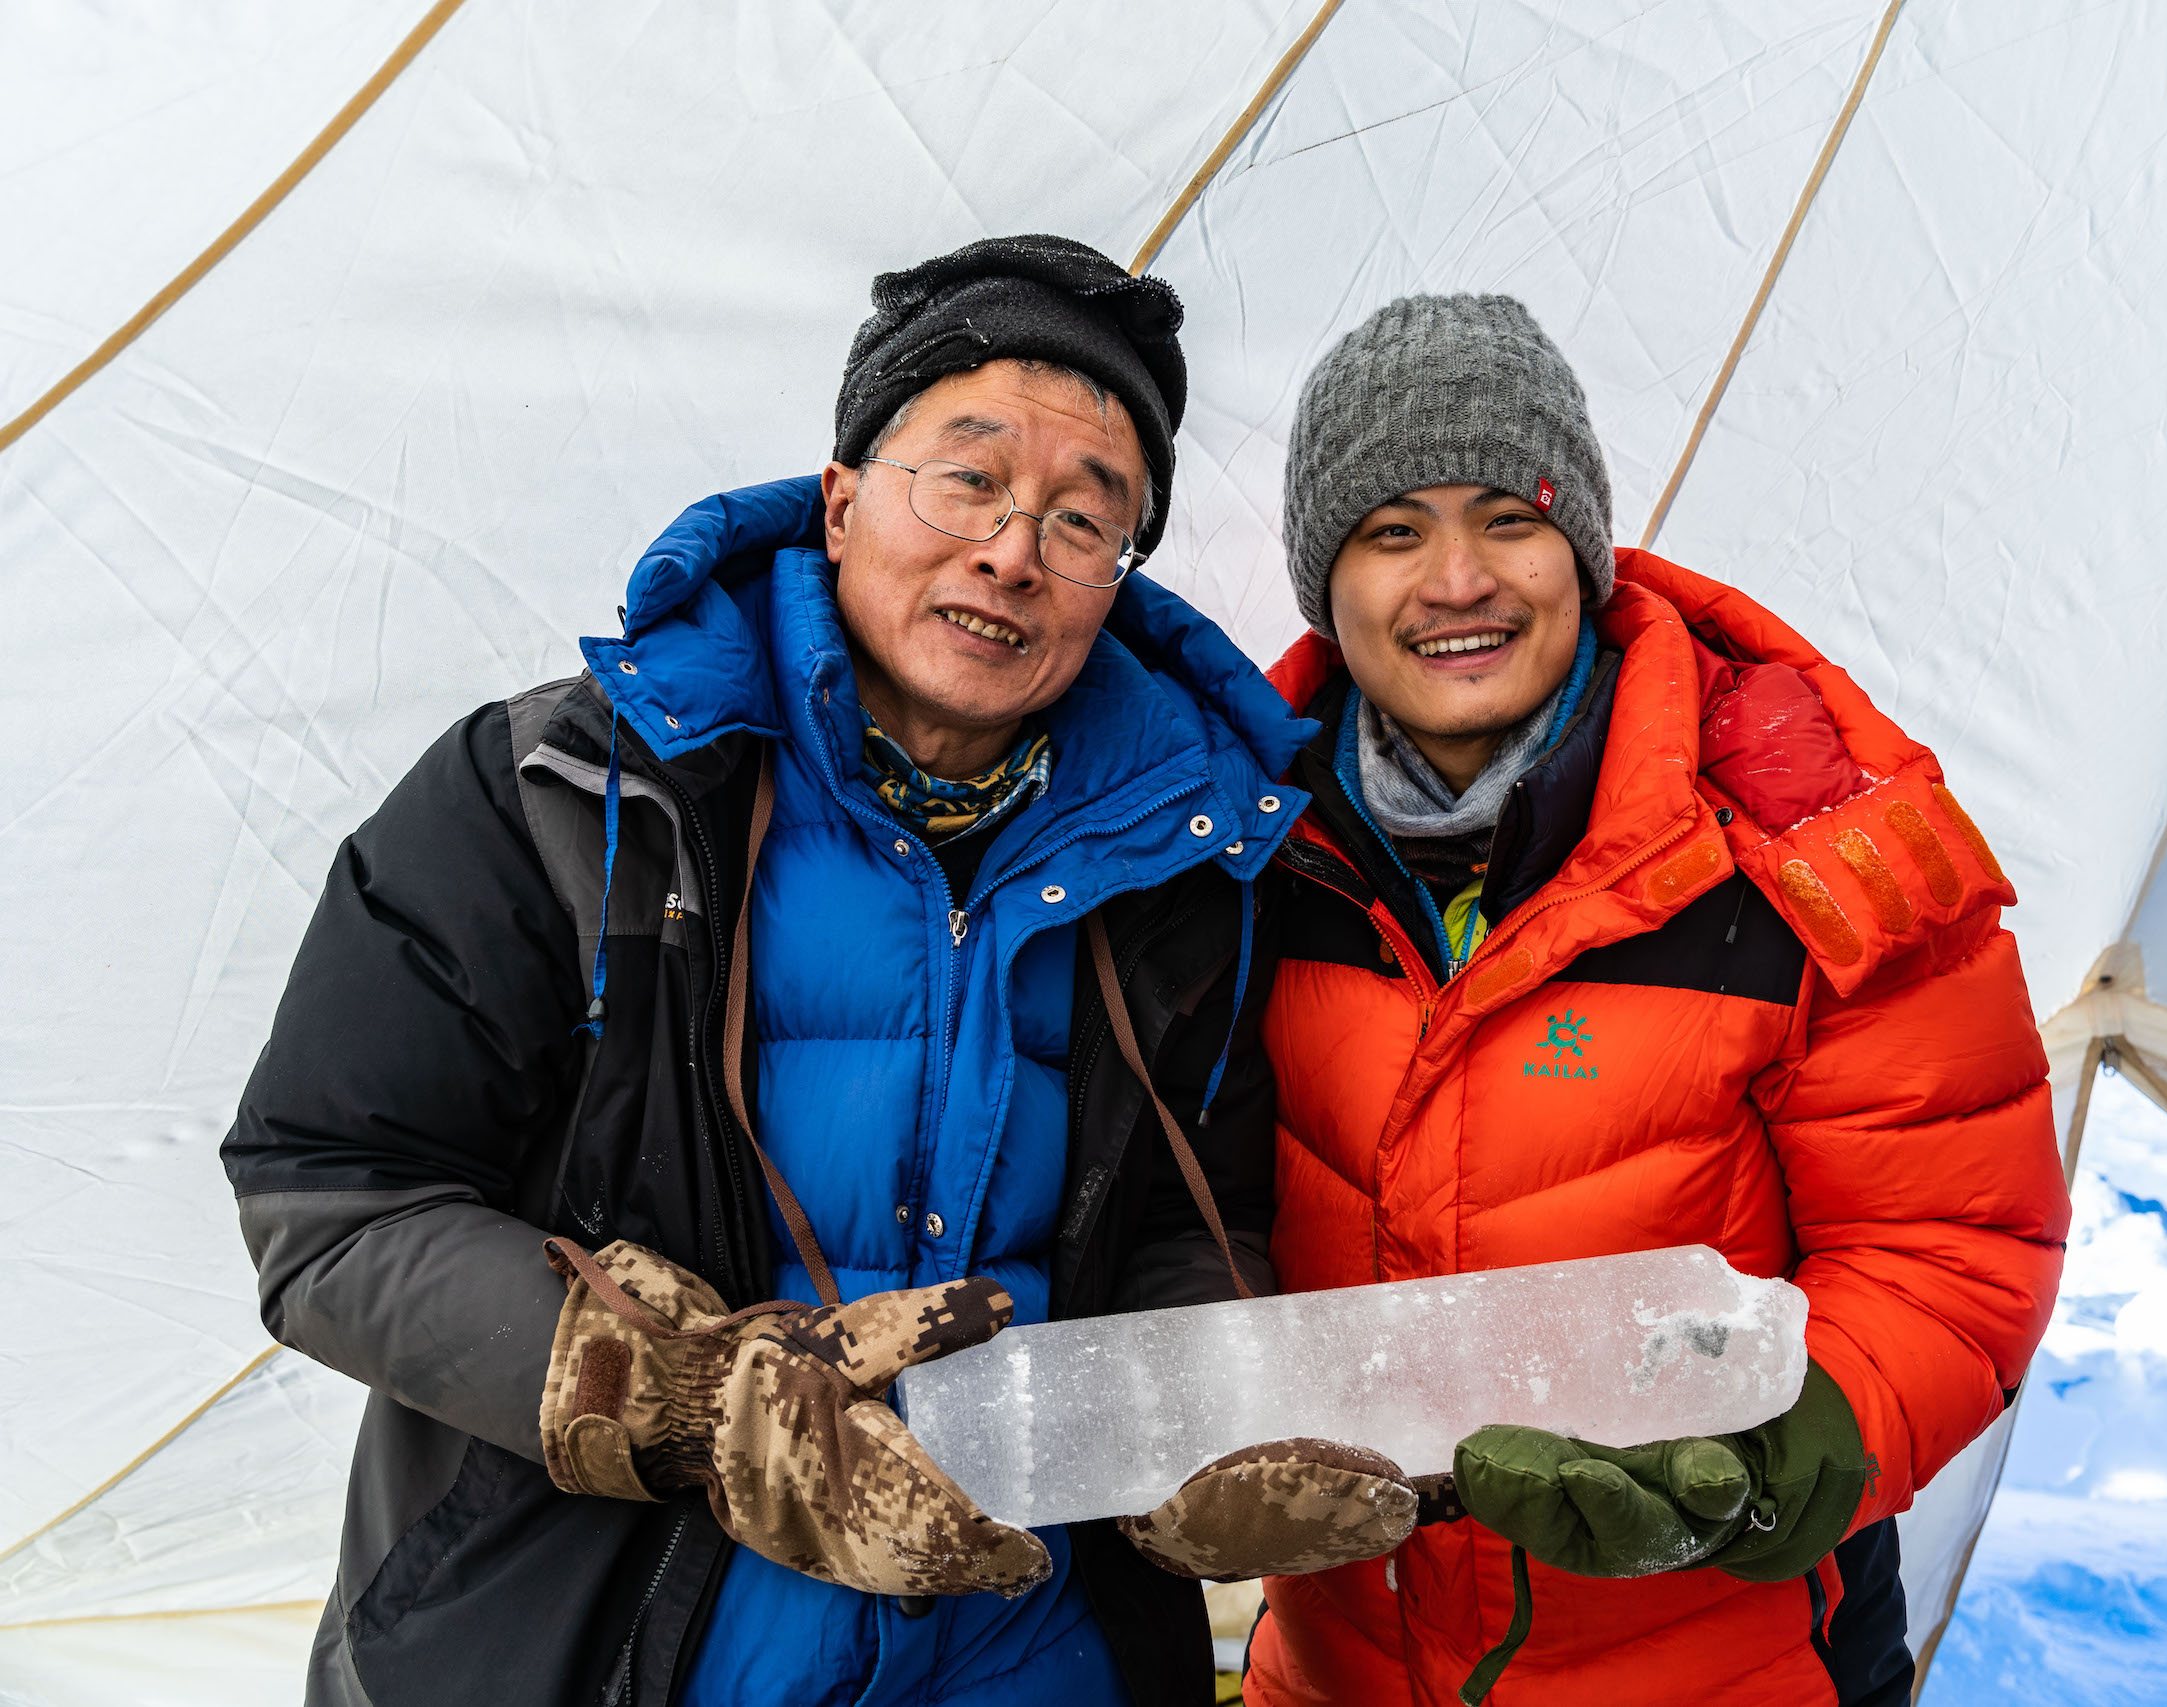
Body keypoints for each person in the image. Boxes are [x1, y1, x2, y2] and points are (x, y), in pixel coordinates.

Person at [220, 236, 1351, 1707]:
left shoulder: (1189, 875)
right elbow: (328, 1195)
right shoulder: (566, 795)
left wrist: (1188, 1405)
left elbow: (1197, 1215)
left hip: (1029, 1650)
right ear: (839, 500)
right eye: (970, 477)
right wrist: (667, 1395)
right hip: (604, 1641)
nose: (1014, 549)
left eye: (1086, 519)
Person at [1222, 294, 2071, 1706]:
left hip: (1725, 1663)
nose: (1454, 580)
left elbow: (1954, 1240)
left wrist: (1776, 1446)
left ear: (1584, 549)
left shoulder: (1811, 841)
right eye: (1391, 530)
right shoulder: (1232, 849)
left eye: (1507, 515)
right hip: (1342, 1671)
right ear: (1327, 577)